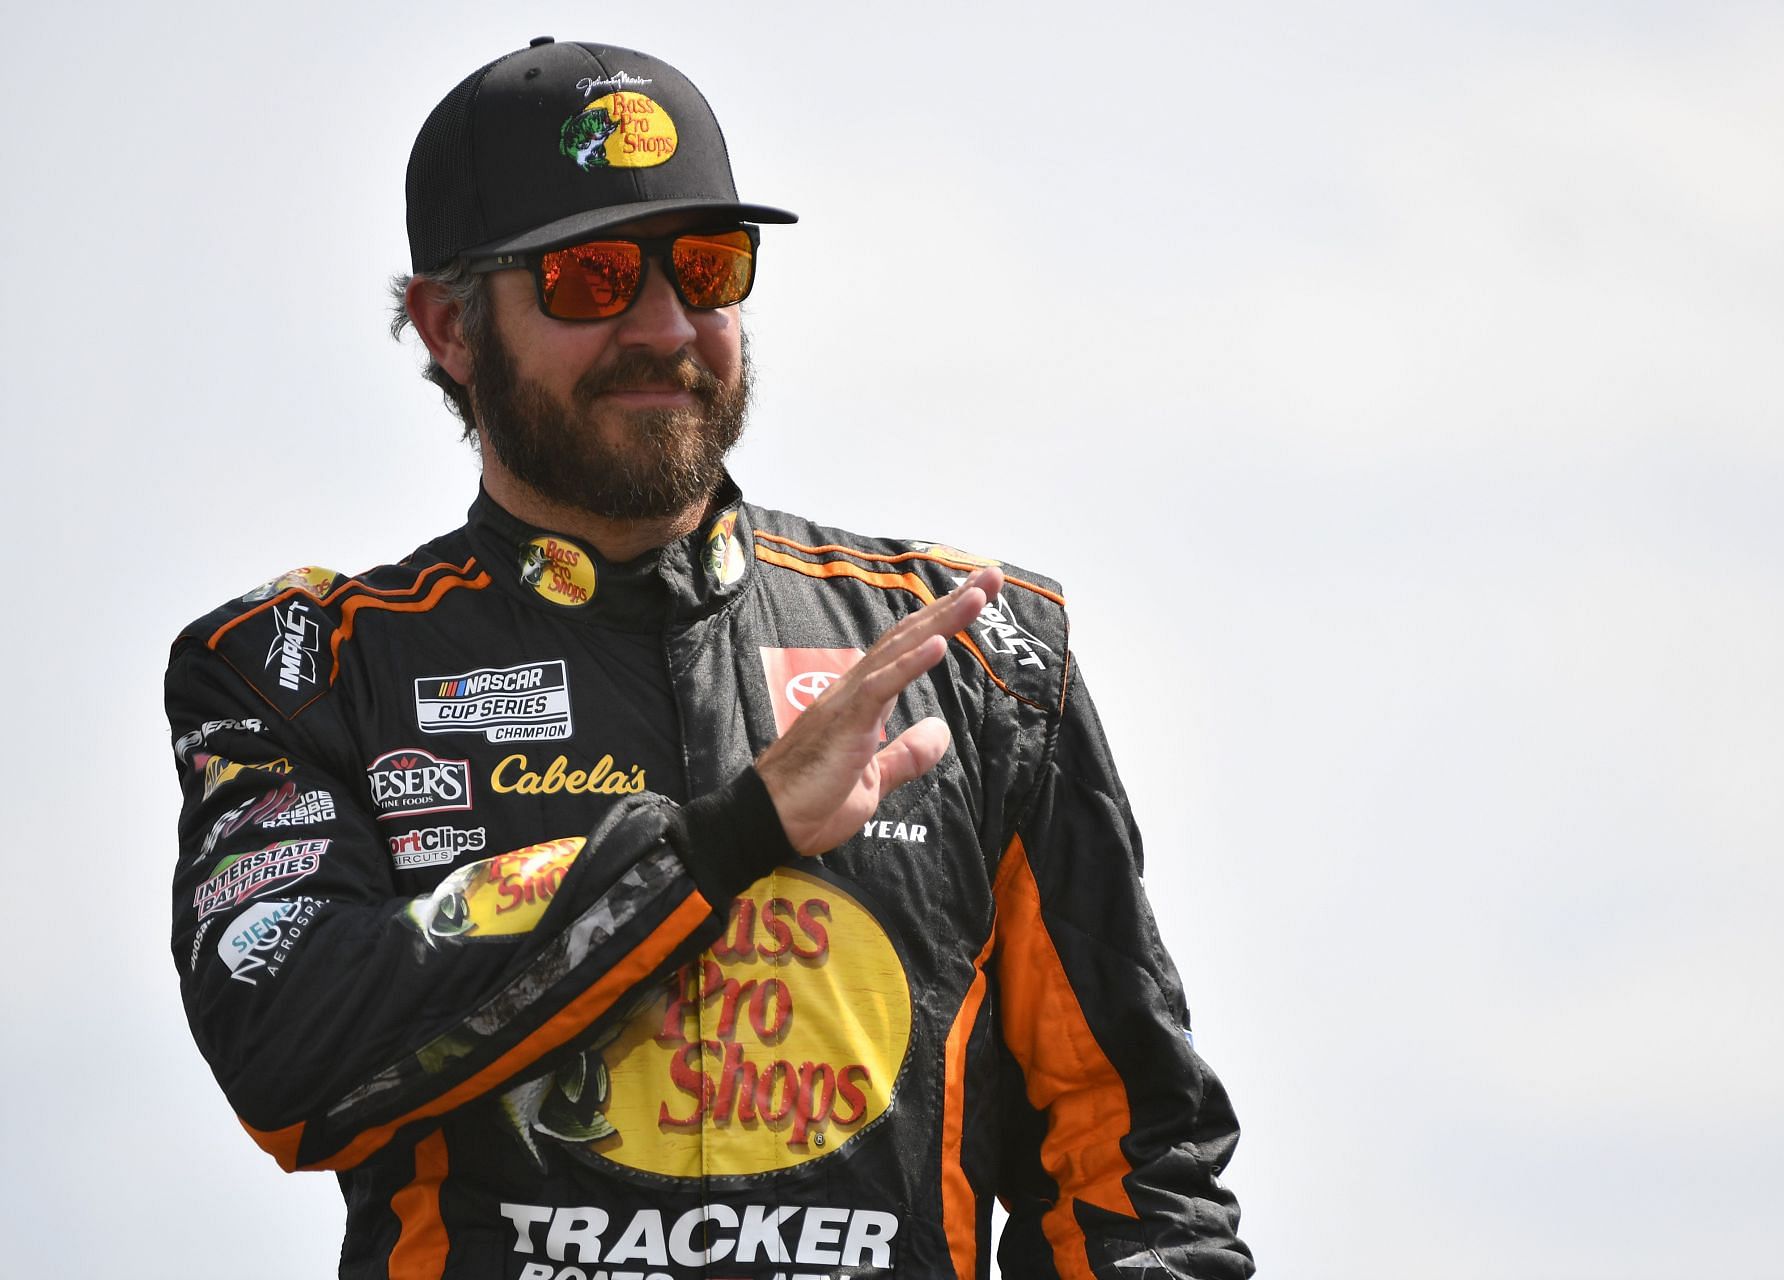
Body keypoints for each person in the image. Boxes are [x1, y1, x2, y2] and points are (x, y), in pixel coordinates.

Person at [165, 38, 1252, 1280]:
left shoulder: (974, 656)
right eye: (589, 277)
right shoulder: (300, 669)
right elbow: (290, 1056)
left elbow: (1133, 1165)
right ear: (448, 328)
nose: (667, 325)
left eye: (706, 265)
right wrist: (726, 839)